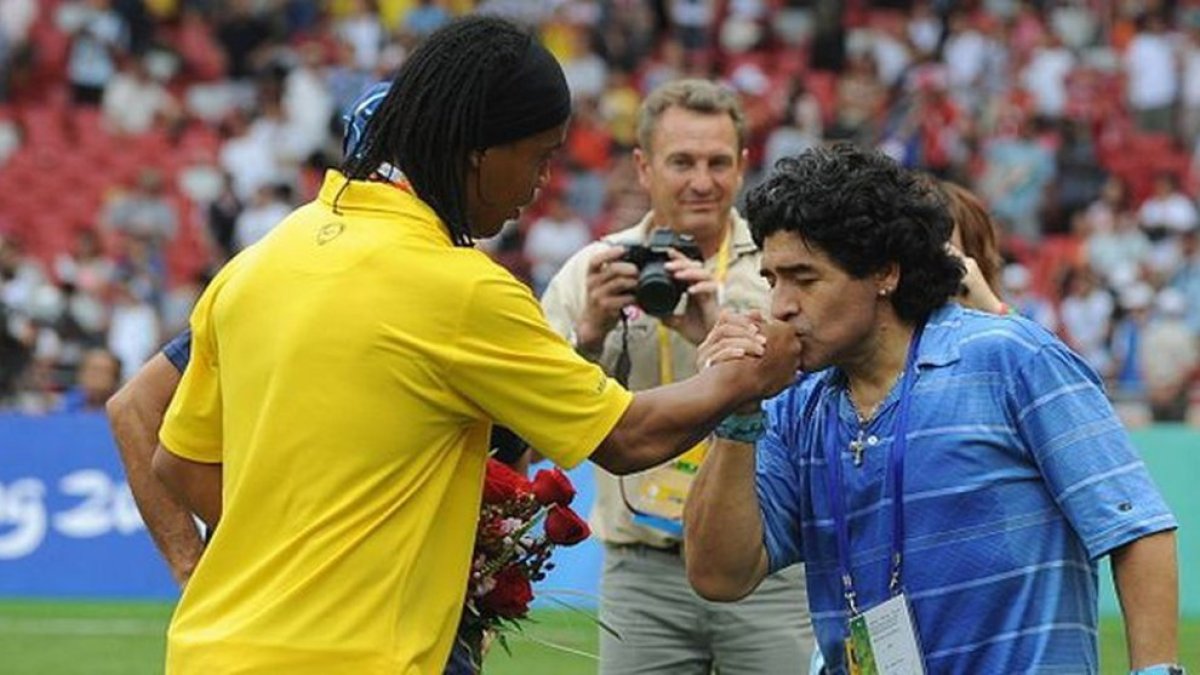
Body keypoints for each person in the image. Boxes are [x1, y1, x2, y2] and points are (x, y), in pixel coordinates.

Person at [148, 17, 802, 675]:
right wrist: (745, 375)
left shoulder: (259, 261)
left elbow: (180, 461)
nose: (541, 183)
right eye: (539, 156)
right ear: (478, 151)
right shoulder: (462, 289)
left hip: (211, 652)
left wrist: (299, 562)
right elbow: (626, 437)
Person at [685, 145, 1182, 674]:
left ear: (885, 273)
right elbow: (720, 576)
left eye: (804, 279)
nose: (780, 305)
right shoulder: (792, 406)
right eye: (772, 280)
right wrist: (737, 411)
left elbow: (1136, 527)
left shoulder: (1010, 358)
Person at [541, 78, 812, 674]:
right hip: (643, 571)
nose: (702, 181)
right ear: (643, 167)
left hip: (766, 562)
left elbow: (819, 403)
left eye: (718, 162)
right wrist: (589, 337)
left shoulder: (785, 265)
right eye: (682, 162)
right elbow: (535, 429)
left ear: (743, 165)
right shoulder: (594, 269)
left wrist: (716, 329)